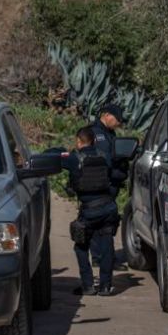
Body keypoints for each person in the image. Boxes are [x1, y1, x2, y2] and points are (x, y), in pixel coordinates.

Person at [64, 125, 121, 296]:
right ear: (95, 141)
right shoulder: (105, 156)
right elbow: (115, 175)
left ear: (78, 142)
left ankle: (88, 285)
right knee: (107, 245)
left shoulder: (75, 158)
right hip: (108, 208)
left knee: (81, 246)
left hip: (89, 211)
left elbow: (57, 158)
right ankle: (105, 286)